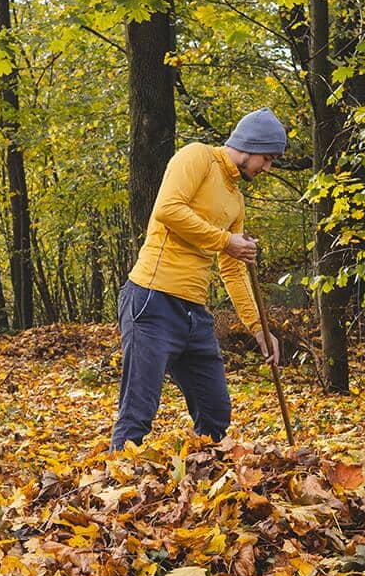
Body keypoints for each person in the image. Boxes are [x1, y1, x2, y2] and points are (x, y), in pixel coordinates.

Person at [110, 108, 286, 451]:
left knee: (216, 414)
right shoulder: (198, 158)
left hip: (193, 314)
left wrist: (259, 329)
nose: (267, 168)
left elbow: (233, 269)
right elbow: (168, 210)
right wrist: (225, 241)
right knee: (138, 414)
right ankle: (114, 495)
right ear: (249, 146)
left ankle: (200, 487)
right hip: (151, 299)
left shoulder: (235, 200)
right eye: (266, 158)